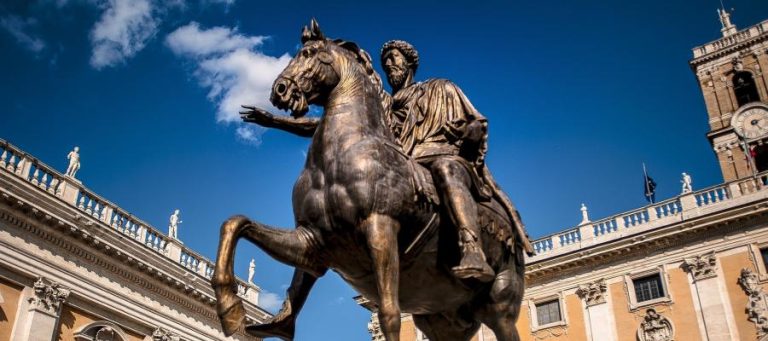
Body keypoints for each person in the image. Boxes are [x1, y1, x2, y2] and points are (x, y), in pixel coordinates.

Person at [241, 39, 533, 339]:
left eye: (395, 59)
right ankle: (290, 312)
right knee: (324, 221)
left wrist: (467, 133)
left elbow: (476, 123)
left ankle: (470, 247)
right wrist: (275, 121)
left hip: (439, 154)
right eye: (387, 62)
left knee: (448, 169)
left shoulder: (439, 88)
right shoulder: (383, 107)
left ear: (409, 63)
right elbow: (326, 124)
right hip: (400, 164)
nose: (391, 65)